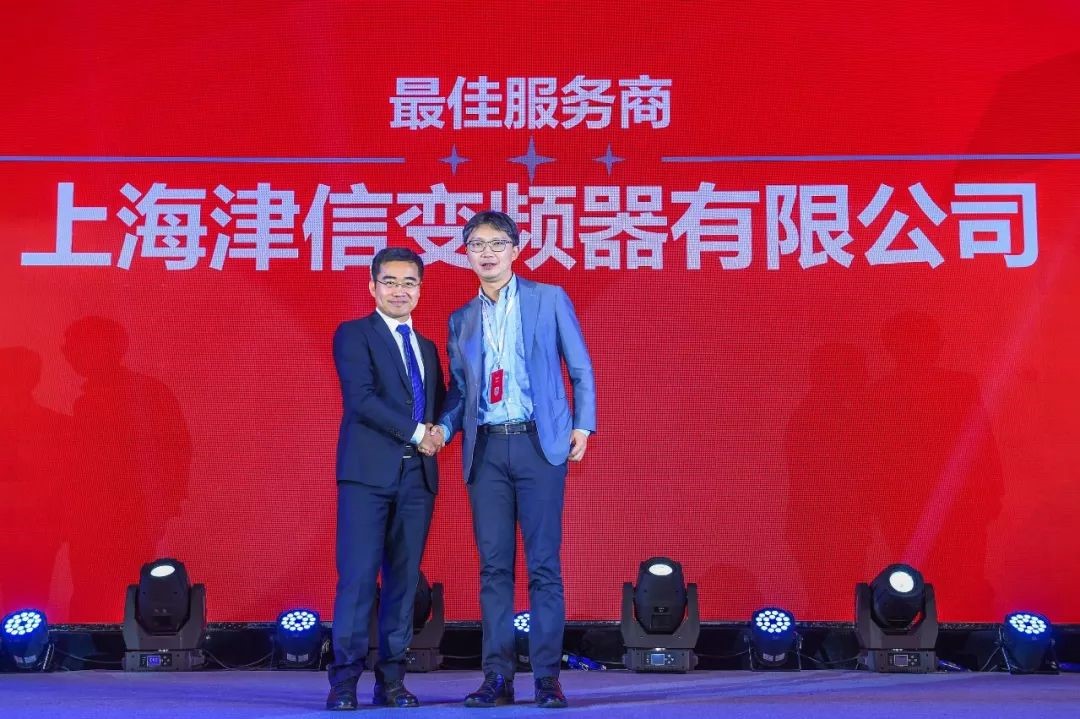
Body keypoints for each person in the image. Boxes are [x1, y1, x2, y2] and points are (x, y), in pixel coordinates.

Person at [429, 210, 596, 709]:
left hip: (538, 444)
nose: (487, 253)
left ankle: (547, 678)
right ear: (466, 254)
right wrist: (444, 428)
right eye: (476, 245)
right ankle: (497, 677)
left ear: (516, 250)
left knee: (544, 566)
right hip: (486, 450)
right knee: (493, 569)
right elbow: (460, 391)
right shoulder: (461, 319)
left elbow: (580, 367)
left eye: (496, 243)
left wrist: (583, 423)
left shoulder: (549, 298)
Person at [326, 247, 445, 710]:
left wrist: (443, 429)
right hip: (367, 476)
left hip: (417, 479)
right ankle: (344, 682)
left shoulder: (427, 348)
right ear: (373, 286)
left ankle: (392, 680)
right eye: (390, 282)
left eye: (409, 282)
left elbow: (442, 403)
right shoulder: (354, 334)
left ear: (420, 289)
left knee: (404, 583)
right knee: (357, 580)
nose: (400, 291)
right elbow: (362, 399)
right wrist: (418, 432)